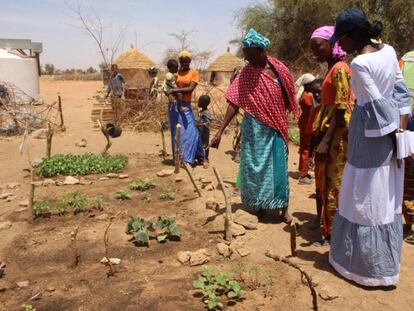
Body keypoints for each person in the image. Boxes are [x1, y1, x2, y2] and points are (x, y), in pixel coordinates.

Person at [328, 8, 411, 286]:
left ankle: (365, 269)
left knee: (364, 199)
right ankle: (383, 266)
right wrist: (399, 139)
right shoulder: (389, 50)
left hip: (370, 136)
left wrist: (393, 141)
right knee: (383, 199)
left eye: (342, 40)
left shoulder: (361, 63)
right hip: (389, 136)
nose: (341, 46)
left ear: (352, 36)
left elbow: (376, 105)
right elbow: (400, 94)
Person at [210, 29, 298, 223]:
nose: (246, 58)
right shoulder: (245, 73)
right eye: (245, 53)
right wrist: (219, 131)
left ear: (260, 51)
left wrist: (276, 113)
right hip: (254, 128)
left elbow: (289, 95)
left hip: (276, 126)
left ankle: (282, 208)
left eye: (249, 53)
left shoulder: (279, 69)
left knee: (278, 167)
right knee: (254, 168)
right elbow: (234, 102)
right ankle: (258, 206)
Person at [309, 26, 354, 241]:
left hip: (337, 139)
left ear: (332, 43)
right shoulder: (331, 69)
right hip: (329, 135)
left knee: (336, 185)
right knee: (326, 184)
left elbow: (342, 107)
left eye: (318, 46)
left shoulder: (340, 69)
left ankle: (336, 236)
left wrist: (326, 141)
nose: (314, 52)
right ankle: (329, 232)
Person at [167, 51, 204, 165]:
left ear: (190, 61)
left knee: (191, 131)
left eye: (186, 61)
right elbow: (168, 85)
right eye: (182, 62)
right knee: (176, 132)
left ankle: (193, 157)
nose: (184, 64)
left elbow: (190, 88)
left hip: (185, 105)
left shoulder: (194, 73)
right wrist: (169, 94)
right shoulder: (176, 73)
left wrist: (174, 90)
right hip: (174, 106)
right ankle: (179, 158)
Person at [296, 73, 316, 185]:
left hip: (304, 123)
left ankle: (303, 171)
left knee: (305, 148)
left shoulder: (305, 94)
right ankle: (303, 175)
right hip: (307, 125)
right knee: (307, 149)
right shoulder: (308, 96)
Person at [196, 95, 212, 167]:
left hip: (204, 131)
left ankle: (206, 158)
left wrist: (199, 123)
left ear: (203, 103)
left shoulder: (206, 113)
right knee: (199, 143)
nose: (198, 102)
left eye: (199, 101)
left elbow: (208, 123)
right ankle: (199, 157)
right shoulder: (201, 111)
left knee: (205, 144)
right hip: (199, 131)